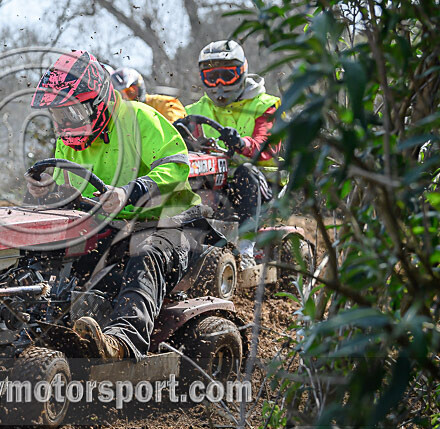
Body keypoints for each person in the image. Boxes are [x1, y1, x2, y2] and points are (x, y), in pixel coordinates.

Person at [25, 50, 201, 360]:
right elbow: (72, 195)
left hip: (164, 224)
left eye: (72, 113)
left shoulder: (139, 117)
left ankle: (121, 341)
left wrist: (129, 192)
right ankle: (25, 326)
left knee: (145, 252)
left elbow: (176, 165)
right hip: (104, 226)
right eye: (58, 115)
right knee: (42, 249)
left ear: (99, 103)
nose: (64, 123)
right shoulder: (68, 139)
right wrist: (48, 192)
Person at [184, 40, 281, 268]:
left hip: (261, 185)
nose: (219, 84)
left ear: (242, 72)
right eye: (211, 77)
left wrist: (240, 142)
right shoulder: (194, 110)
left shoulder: (264, 105)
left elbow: (267, 147)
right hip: (213, 182)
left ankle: (246, 248)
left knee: (245, 172)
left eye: (226, 76)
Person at [110, 67, 187, 123]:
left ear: (140, 86)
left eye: (130, 92)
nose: (126, 99)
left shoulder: (165, 103)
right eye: (119, 96)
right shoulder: (115, 118)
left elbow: (176, 126)